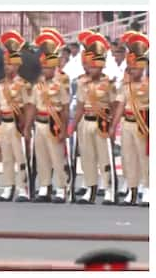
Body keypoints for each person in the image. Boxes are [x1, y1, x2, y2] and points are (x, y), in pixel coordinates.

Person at [72, 33, 117, 205]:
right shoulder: (83, 83)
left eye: (94, 67)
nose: (91, 69)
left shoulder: (108, 83)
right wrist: (73, 126)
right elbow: (80, 107)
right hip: (86, 121)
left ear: (101, 66)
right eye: (89, 66)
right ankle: (90, 189)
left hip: (102, 121)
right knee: (87, 157)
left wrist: (112, 127)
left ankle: (108, 189)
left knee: (104, 158)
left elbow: (113, 107)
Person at [0, 30, 34, 202]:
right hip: (5, 123)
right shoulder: (1, 85)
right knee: (7, 157)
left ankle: (23, 187)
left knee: (20, 156)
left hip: (18, 124)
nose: (7, 67)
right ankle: (8, 186)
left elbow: (29, 106)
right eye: (5, 64)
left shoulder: (24, 85)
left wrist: (27, 127)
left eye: (10, 64)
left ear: (17, 66)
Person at [32, 29, 71, 203]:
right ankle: (44, 187)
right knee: (42, 158)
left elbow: (65, 108)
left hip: (53, 123)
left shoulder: (60, 84)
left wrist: (63, 129)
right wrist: (28, 125)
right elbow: (33, 106)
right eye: (44, 67)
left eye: (49, 67)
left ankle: (61, 188)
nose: (45, 70)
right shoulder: (37, 85)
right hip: (39, 123)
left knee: (57, 157)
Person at [110, 32, 149, 206]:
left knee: (144, 158)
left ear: (143, 68)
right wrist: (113, 126)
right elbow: (120, 105)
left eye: (135, 68)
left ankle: (147, 189)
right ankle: (131, 191)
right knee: (128, 157)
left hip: (143, 124)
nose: (132, 71)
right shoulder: (125, 85)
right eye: (130, 68)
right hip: (127, 123)